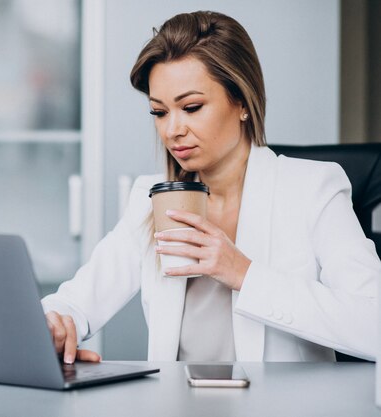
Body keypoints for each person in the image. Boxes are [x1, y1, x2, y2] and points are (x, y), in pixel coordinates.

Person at [42, 10, 381, 364]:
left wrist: (242, 273)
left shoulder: (312, 190)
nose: (172, 130)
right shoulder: (153, 199)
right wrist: (56, 324)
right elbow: (76, 302)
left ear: (242, 103)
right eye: (159, 112)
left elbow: (374, 326)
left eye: (191, 107)